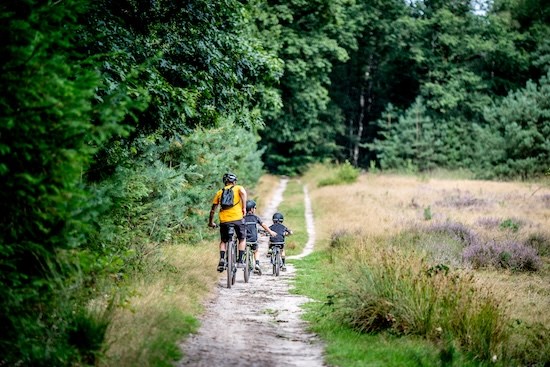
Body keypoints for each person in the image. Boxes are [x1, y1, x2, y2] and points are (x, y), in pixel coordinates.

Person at [208, 172, 247, 272]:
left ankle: (222, 258)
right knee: (242, 239)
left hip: (224, 220)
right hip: (238, 218)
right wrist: (244, 208)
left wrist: (211, 222)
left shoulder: (219, 192)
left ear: (225, 182)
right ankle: (240, 261)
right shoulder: (238, 188)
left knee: (223, 241)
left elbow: (213, 210)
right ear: (234, 182)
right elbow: (243, 192)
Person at [244, 200, 277, 273]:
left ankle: (241, 259)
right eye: (255, 208)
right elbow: (263, 225)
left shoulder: (242, 218)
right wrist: (270, 232)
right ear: (252, 209)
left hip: (244, 239)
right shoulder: (255, 218)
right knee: (256, 250)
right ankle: (257, 264)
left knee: (241, 246)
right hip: (253, 239)